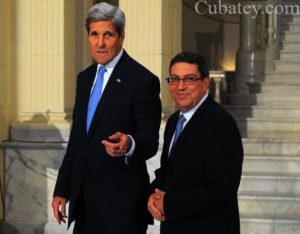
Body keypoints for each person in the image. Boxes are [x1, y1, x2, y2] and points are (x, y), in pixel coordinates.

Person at [52, 2, 162, 234]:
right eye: (94, 34)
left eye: (108, 35)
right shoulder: (84, 78)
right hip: (84, 204)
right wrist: (62, 188)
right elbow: (77, 140)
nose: (100, 43)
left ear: (121, 37)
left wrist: (130, 144)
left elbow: (150, 140)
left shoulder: (143, 80)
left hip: (122, 207)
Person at [148, 52, 243, 234]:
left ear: (205, 83)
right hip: (175, 226)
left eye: (189, 79)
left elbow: (221, 190)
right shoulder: (174, 121)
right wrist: (153, 194)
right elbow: (169, 171)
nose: (180, 86)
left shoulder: (221, 125)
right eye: (174, 79)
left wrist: (168, 202)